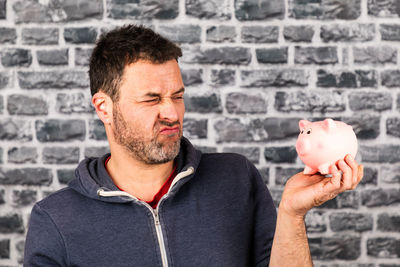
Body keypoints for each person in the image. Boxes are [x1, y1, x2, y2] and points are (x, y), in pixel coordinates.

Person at [24, 24, 363, 267]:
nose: (171, 112)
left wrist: (291, 213)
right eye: (152, 99)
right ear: (104, 108)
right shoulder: (55, 219)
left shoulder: (236, 178)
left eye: (177, 96)